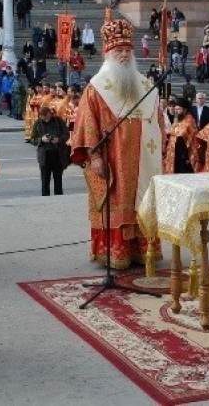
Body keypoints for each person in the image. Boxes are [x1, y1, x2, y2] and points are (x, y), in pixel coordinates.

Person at [70, 19, 164, 269]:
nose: (124, 55)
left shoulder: (146, 87)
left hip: (144, 158)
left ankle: (141, 251)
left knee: (142, 200)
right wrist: (95, 156)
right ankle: (116, 252)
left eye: (127, 51)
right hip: (113, 158)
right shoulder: (96, 88)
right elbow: (87, 124)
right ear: (109, 54)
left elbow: (159, 123)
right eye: (118, 51)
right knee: (116, 202)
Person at [31, 105, 70, 196]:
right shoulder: (38, 123)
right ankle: (45, 199)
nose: (46, 118)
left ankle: (59, 198)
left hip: (57, 154)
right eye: (43, 117)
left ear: (50, 114)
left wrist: (59, 139)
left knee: (58, 179)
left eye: (47, 116)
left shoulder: (58, 121)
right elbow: (32, 139)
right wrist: (41, 139)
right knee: (45, 180)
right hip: (45, 155)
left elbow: (66, 134)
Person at [164, 97, 201, 174]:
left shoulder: (190, 121)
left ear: (185, 110)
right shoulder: (177, 119)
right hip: (174, 153)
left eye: (179, 109)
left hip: (184, 156)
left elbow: (192, 139)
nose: (176, 111)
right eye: (176, 109)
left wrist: (186, 156)